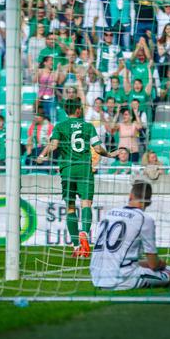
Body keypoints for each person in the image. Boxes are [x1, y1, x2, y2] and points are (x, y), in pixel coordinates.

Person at [90, 180, 170, 290]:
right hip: (122, 280)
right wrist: (161, 263)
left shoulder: (109, 213)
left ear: (130, 196)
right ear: (149, 202)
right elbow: (154, 264)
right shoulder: (144, 218)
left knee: (142, 263)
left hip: (97, 276)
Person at [36, 98, 111, 258]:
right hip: (84, 169)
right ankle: (84, 232)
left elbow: (54, 145)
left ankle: (77, 246)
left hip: (67, 170)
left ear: (65, 111)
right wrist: (109, 154)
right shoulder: (88, 126)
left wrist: (42, 155)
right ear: (78, 110)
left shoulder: (60, 126)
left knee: (70, 207)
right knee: (86, 204)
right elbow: (97, 148)